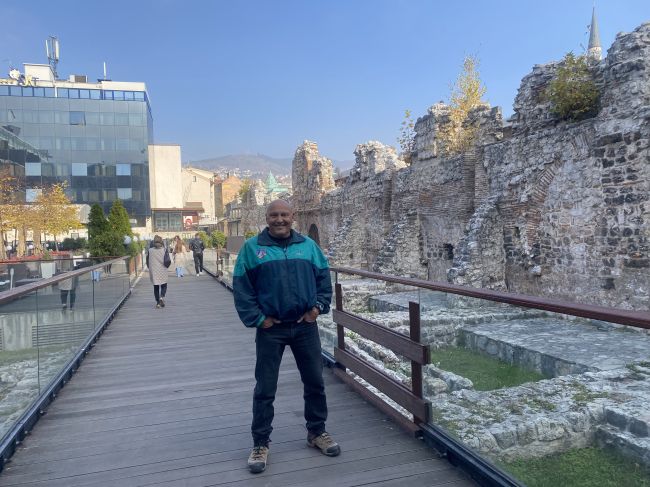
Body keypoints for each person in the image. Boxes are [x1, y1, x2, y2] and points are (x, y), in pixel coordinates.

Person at [233, 199, 339, 474]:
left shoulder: (308, 247)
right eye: (273, 215)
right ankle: (260, 443)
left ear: (293, 216)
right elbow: (242, 288)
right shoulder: (252, 249)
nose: (279, 219)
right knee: (265, 388)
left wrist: (317, 308)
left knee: (315, 382)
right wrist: (258, 319)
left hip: (305, 325)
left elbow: (323, 281)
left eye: (284, 214)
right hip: (271, 329)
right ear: (266, 218)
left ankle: (317, 432)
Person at [147, 235, 170, 308]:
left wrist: (149, 267)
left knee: (156, 286)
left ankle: (158, 303)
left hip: (154, 270)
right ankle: (162, 297)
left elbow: (147, 260)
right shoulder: (164, 249)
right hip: (162, 270)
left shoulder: (150, 250)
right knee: (164, 285)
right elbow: (168, 260)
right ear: (161, 241)